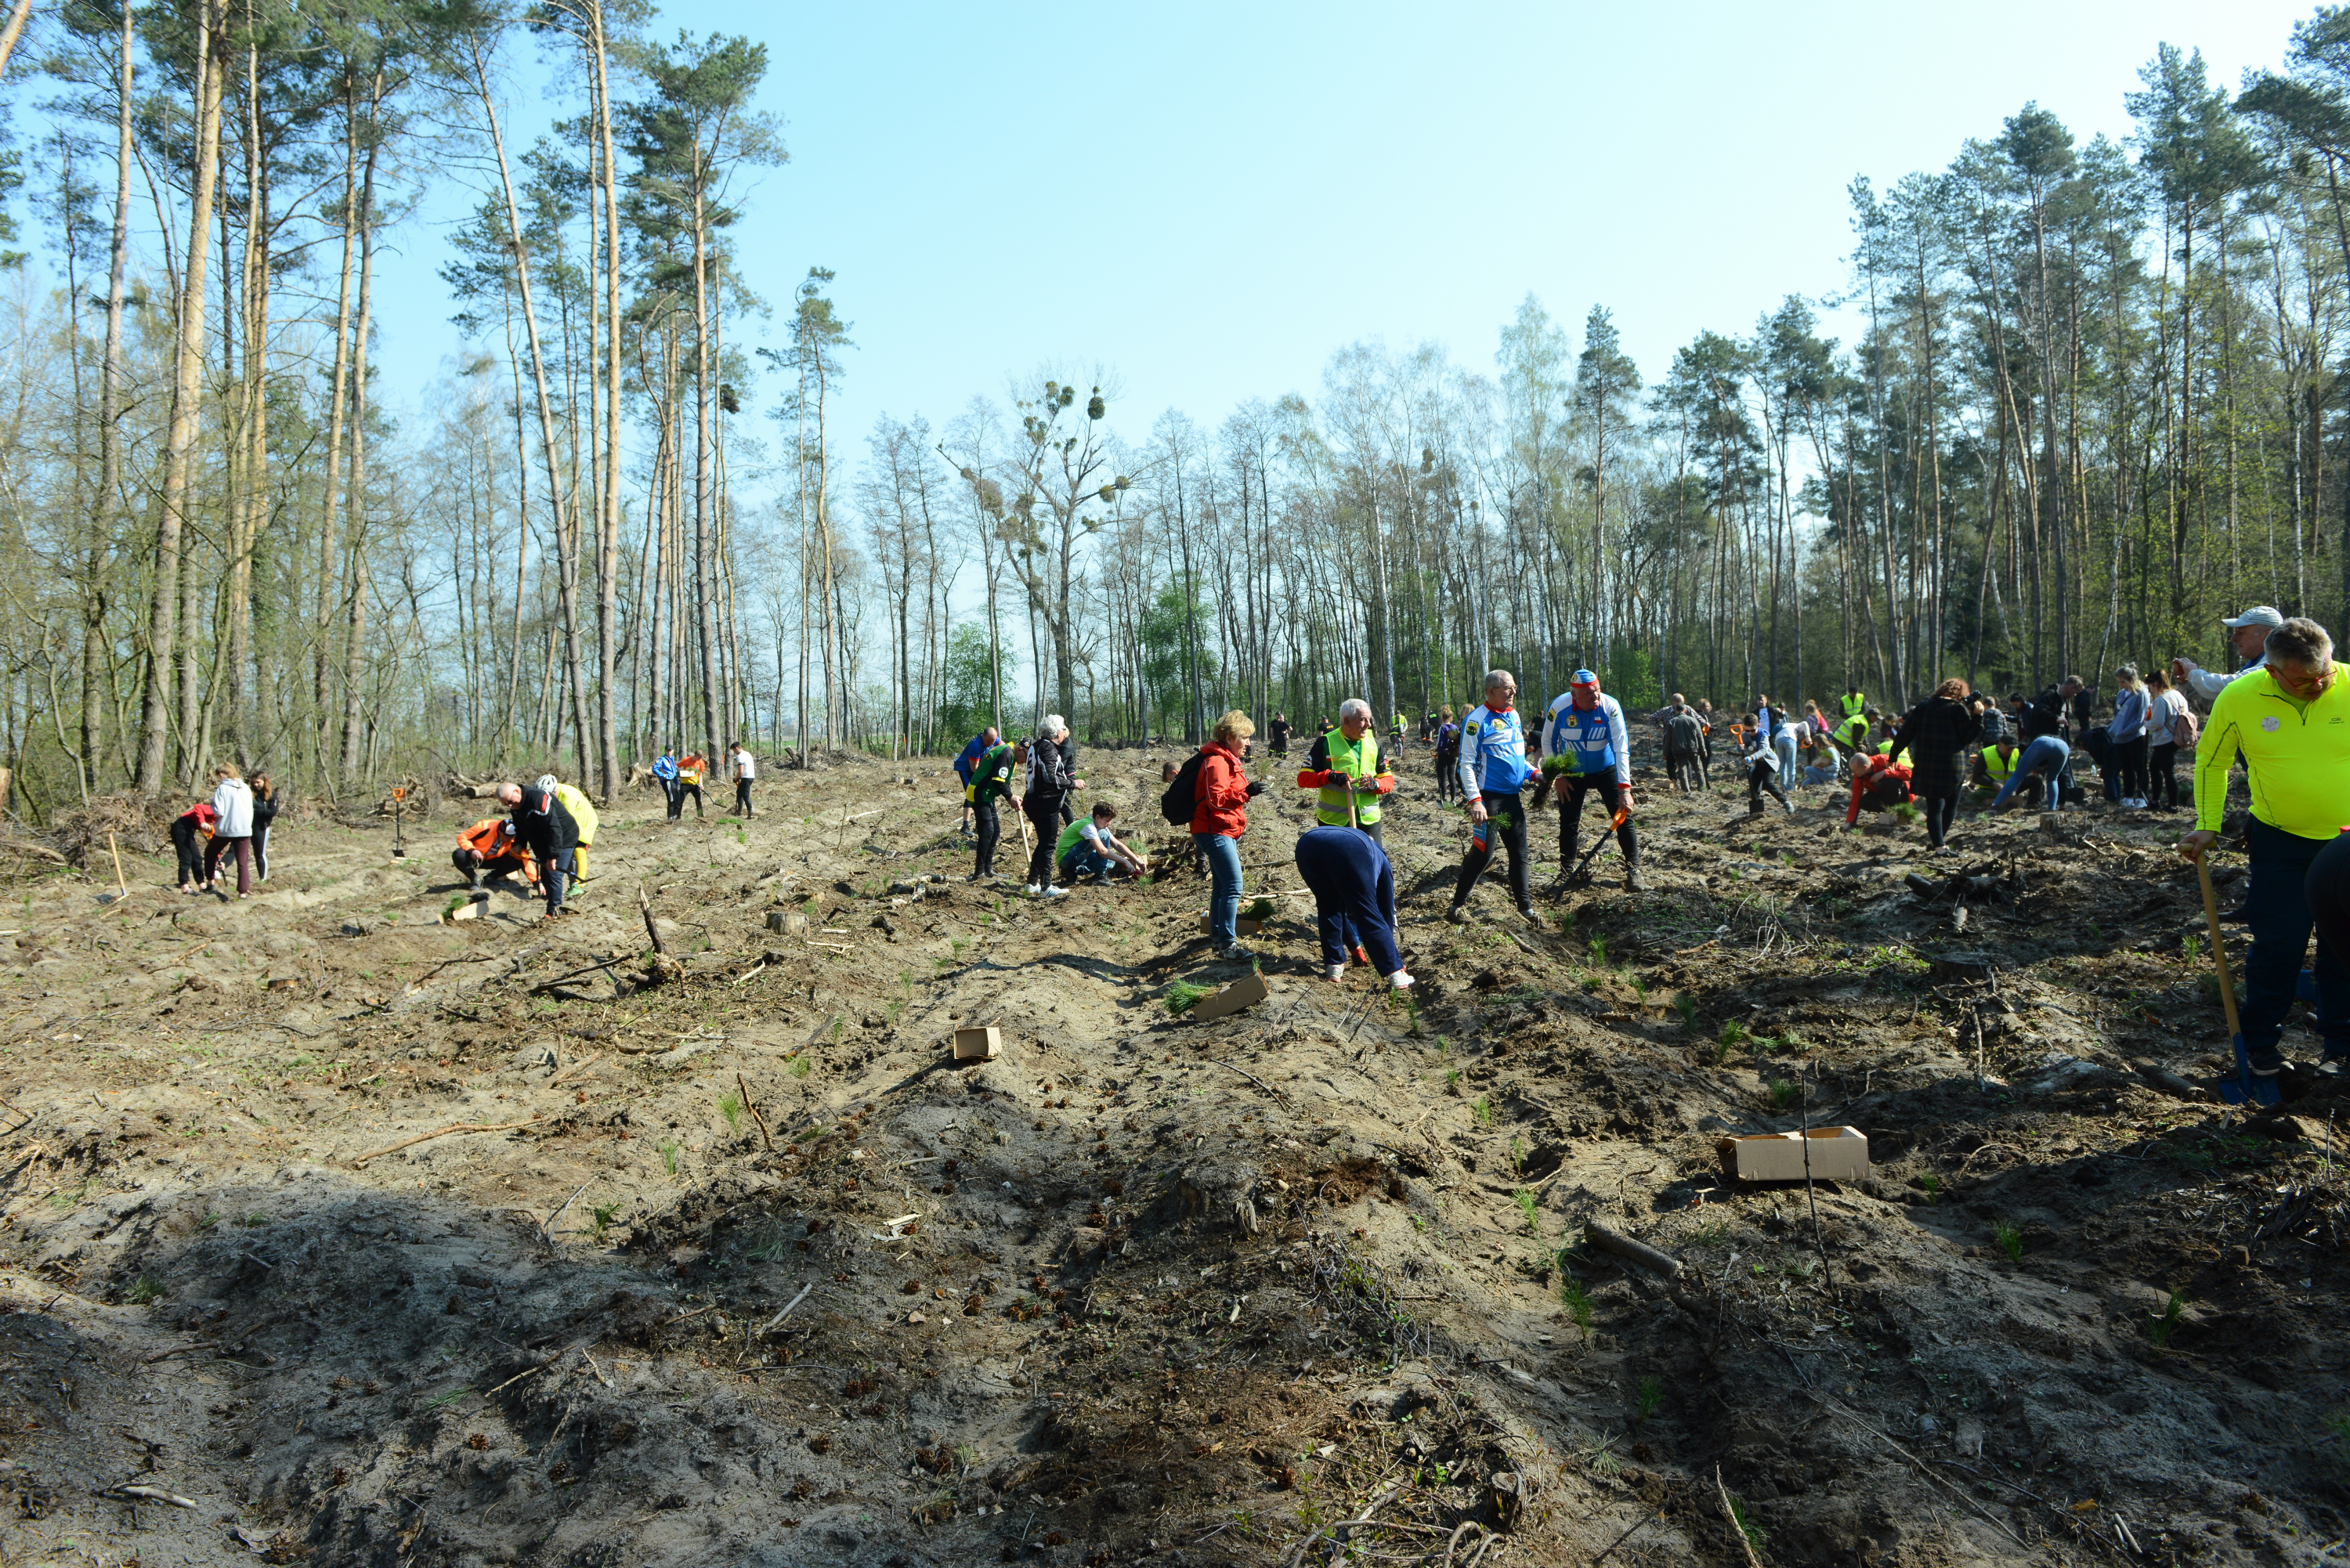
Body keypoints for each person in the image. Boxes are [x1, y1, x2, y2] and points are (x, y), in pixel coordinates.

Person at [2182, 617, 2350, 1089]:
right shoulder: (2241, 696)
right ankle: (2261, 1048)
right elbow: (2211, 762)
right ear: (2274, 672)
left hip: (2347, 842)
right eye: (2304, 681)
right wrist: (2206, 825)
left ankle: (2341, 1048)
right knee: (2279, 942)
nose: (2318, 686)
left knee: (2344, 948)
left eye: (2325, 675)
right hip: (2281, 841)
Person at [1448, 670, 1540, 924]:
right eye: (1508, 688)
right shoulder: (1477, 720)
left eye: (1514, 688)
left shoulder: (1513, 715)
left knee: (1519, 852)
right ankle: (1456, 906)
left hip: (1512, 798)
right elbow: (1465, 765)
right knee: (1483, 855)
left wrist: (1534, 774)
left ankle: (1526, 909)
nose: (1513, 693)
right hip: (1488, 800)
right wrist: (1475, 800)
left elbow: (1516, 758)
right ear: (1491, 692)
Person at [1539, 669, 1641, 891]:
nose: (1595, 696)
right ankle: (1566, 872)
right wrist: (1558, 776)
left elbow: (1620, 748)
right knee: (1568, 822)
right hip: (1572, 773)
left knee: (1622, 818)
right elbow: (1548, 742)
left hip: (1605, 769)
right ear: (1574, 695)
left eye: (1597, 690)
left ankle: (1634, 870)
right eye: (1587, 693)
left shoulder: (1610, 707)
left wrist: (1625, 789)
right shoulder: (1559, 707)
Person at [1295, 824, 1412, 989]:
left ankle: (1334, 966)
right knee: (1366, 910)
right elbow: (1384, 911)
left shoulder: (1372, 852)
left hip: (1307, 845)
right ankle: (1396, 974)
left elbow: (1338, 911)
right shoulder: (1383, 862)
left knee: (1328, 905)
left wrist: (1354, 945)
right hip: (1349, 849)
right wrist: (1392, 955)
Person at [1191, 710, 1263, 957]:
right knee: (1233, 885)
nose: (1249, 743)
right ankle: (1228, 946)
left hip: (1221, 829)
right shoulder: (1218, 762)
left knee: (1222, 887)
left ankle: (1219, 941)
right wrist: (1247, 793)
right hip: (1215, 830)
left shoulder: (1225, 759)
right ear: (1230, 737)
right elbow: (1217, 800)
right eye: (1245, 737)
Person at [1886, 678, 1981, 851]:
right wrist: (1978, 717)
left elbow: (1905, 734)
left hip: (1928, 764)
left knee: (1934, 807)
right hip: (1954, 765)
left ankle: (1938, 845)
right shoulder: (1958, 709)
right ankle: (1938, 844)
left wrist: (1893, 756)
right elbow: (1968, 736)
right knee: (1951, 805)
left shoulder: (1923, 706)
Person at [1297, 698, 1395, 844]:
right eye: (1363, 720)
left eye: (1369, 719)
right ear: (1347, 721)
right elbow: (1303, 779)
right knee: (1337, 866)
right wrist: (1329, 776)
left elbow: (1388, 780)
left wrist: (1375, 784)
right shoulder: (1325, 743)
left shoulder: (1374, 744)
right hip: (1334, 823)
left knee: (1375, 863)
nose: (1369, 725)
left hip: (1368, 822)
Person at [2175, 604, 2284, 703]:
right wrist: (2188, 683)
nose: (2233, 639)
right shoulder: (2258, 663)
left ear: (2267, 636)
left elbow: (2233, 686)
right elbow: (2218, 698)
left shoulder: (2274, 664)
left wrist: (2194, 674)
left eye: (2241, 633)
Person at [500, 779, 577, 919]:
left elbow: (554, 828)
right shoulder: (515, 807)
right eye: (505, 804)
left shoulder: (539, 799)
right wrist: (519, 845)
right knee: (546, 876)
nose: (509, 805)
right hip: (543, 840)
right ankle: (549, 897)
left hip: (563, 836)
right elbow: (521, 828)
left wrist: (553, 856)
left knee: (554, 873)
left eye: (510, 801)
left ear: (517, 791)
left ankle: (554, 912)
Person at [1021, 717, 1078, 897]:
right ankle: (1046, 887)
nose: (1064, 732)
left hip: (1034, 800)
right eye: (1062, 728)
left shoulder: (1036, 745)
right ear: (1057, 732)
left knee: (1043, 843)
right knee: (1048, 845)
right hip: (1045, 803)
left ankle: (1032, 883)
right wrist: (1073, 783)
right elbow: (1051, 778)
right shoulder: (1048, 748)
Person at [968, 735, 1019, 883]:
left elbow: (1004, 780)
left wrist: (1012, 797)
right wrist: (1010, 797)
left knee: (995, 830)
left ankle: (988, 869)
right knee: (987, 831)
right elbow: (998, 780)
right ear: (1021, 749)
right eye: (1026, 757)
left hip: (987, 795)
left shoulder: (1010, 753)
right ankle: (979, 873)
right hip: (979, 793)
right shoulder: (1007, 753)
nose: (1023, 762)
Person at [202, 765, 256, 898]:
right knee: (242, 861)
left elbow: (219, 810)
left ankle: (210, 883)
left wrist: (212, 805)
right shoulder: (246, 788)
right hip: (244, 829)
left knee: (210, 853)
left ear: (221, 774)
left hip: (226, 829)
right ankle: (243, 892)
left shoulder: (223, 788)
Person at [1058, 802, 1146, 882]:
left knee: (1111, 862)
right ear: (1098, 817)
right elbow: (1102, 851)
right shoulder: (1088, 826)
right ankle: (1100, 876)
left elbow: (1117, 844)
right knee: (1103, 834)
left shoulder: (1098, 824)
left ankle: (1073, 871)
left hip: (1076, 857)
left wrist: (1137, 861)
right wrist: (1125, 861)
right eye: (1107, 820)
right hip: (1065, 859)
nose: (1110, 823)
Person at [1988, 730, 2070, 815]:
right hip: (2063, 746)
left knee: (2017, 776)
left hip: (2043, 742)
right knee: (2053, 779)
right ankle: (2052, 809)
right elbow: (2062, 777)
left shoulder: (2028, 744)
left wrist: (2033, 767)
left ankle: (1995, 805)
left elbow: (2028, 753)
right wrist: (2062, 802)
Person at [2145, 667, 2192, 813]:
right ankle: (2155, 801)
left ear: (2156, 684)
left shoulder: (2161, 700)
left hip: (2165, 739)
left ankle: (2172, 805)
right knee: (2154, 767)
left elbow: (2157, 723)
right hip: (2176, 738)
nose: (2151, 690)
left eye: (2151, 687)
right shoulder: (2177, 694)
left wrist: (2145, 724)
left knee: (2167, 772)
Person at [453, 816, 538, 891]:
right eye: (507, 837)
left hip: (494, 859)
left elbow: (525, 859)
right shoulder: (485, 826)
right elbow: (462, 837)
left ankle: (491, 877)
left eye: (513, 836)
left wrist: (537, 882)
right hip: (476, 858)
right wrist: (472, 850)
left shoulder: (514, 838)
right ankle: (475, 879)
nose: (510, 839)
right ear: (500, 831)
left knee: (518, 858)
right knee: (459, 855)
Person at [542, 775, 599, 886]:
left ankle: (580, 885)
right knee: (568, 851)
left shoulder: (567, 796)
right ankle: (573, 883)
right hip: (574, 821)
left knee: (579, 851)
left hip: (584, 823)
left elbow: (566, 822)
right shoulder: (556, 793)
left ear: (553, 791)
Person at [2108, 667, 2150, 808]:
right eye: (2119, 682)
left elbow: (2141, 719)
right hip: (2119, 738)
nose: (2121, 685)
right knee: (2126, 768)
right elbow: (2117, 713)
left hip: (2135, 737)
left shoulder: (2142, 694)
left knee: (2140, 767)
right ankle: (2128, 797)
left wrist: (2126, 731)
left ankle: (2142, 797)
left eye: (2123, 682)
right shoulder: (2121, 694)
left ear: (2132, 680)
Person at [1842, 750, 1913, 829]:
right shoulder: (1859, 775)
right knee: (1864, 801)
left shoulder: (1883, 760)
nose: (1853, 773)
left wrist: (1885, 773)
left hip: (1903, 795)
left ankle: (1895, 812)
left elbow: (1908, 774)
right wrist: (1849, 822)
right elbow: (1855, 798)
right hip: (1882, 794)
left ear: (1865, 767)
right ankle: (1888, 816)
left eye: (1855, 770)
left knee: (1891, 781)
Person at [953, 727, 1000, 834]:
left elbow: (1004, 747)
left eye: (992, 742)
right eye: (988, 741)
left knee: (979, 794)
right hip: (967, 769)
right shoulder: (976, 746)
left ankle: (979, 826)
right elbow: (975, 769)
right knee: (972, 794)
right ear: (983, 736)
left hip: (979, 769)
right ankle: (966, 827)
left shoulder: (994, 739)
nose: (990, 744)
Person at [1741, 721, 1791, 815]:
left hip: (1769, 762)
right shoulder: (1744, 735)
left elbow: (1763, 750)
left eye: (1753, 730)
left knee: (1768, 784)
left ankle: (1786, 802)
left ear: (1758, 726)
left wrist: (1751, 757)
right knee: (1754, 787)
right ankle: (1758, 812)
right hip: (1757, 764)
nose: (1750, 733)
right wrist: (1740, 747)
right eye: (1748, 730)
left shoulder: (1763, 735)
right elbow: (1741, 747)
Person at [171, 798, 217, 894]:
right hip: (181, 826)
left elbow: (213, 840)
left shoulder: (221, 822)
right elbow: (198, 807)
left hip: (189, 830)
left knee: (197, 858)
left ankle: (202, 885)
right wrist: (202, 822)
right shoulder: (216, 811)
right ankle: (184, 886)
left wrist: (217, 858)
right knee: (186, 857)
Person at [1970, 737, 2034, 805]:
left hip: (2011, 788)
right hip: (1991, 789)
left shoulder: (2016, 753)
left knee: (2036, 779)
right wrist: (1994, 784)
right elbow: (1976, 777)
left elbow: (2022, 773)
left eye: (2013, 749)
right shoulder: (1985, 754)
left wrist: (2016, 786)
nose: (2011, 751)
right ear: (2000, 745)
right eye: (2008, 748)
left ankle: (2033, 805)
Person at [1663, 702, 1709, 793]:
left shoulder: (1672, 722)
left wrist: (1665, 753)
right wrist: (1703, 750)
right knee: (1699, 770)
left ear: (1676, 710)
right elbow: (1700, 737)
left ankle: (1686, 791)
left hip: (1678, 750)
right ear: (1686, 710)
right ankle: (1702, 790)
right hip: (1693, 749)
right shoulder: (1694, 721)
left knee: (1682, 771)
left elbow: (1668, 740)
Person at [250, 774, 280, 883]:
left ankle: (263, 878)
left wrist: (255, 811)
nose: (256, 785)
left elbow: (272, 812)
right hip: (247, 825)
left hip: (261, 827)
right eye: (254, 783)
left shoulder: (272, 795)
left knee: (259, 853)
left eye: (258, 782)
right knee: (235, 850)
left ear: (264, 781)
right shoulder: (250, 793)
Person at [1433, 708, 1462, 804]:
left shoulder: (1443, 728)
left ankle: (1443, 799)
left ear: (1442, 717)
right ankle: (1453, 800)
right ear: (1451, 717)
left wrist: (1435, 750)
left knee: (1443, 778)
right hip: (1453, 755)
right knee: (1452, 777)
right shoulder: (1455, 728)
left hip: (1443, 755)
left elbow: (1440, 743)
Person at [674, 750, 706, 818]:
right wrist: (682, 771)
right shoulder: (686, 760)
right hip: (685, 784)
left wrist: (701, 785)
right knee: (680, 800)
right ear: (695, 755)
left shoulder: (701, 762)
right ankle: (678, 816)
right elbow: (676, 766)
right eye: (698, 757)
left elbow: (700, 774)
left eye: (701, 758)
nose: (699, 759)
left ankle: (700, 816)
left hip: (695, 784)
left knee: (698, 801)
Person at [729, 739, 757, 818]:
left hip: (746, 777)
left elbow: (741, 771)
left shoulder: (740, 757)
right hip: (751, 776)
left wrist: (735, 779)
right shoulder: (747, 754)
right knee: (739, 793)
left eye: (734, 750)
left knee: (745, 795)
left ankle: (750, 813)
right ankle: (739, 811)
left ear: (737, 748)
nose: (734, 752)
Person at [653, 749, 682, 819]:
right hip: (667, 781)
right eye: (667, 751)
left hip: (673, 781)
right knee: (671, 798)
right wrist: (663, 775)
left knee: (677, 797)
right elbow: (654, 769)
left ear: (673, 751)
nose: (669, 752)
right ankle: (670, 817)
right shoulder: (662, 759)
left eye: (670, 751)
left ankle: (674, 815)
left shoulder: (671, 759)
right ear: (665, 751)